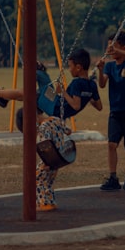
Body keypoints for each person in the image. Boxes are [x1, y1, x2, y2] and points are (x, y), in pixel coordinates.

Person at [0, 49, 102, 126]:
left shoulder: (77, 83)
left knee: (27, 93)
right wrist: (87, 96)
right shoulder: (91, 85)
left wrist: (63, 92)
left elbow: (76, 106)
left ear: (78, 67)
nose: (69, 69)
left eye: (70, 66)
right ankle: (38, 71)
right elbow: (99, 106)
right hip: (56, 100)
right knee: (42, 80)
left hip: (55, 107)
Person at [96, 31, 125, 192]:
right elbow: (102, 84)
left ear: (123, 47)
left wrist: (119, 51)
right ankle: (113, 177)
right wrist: (100, 70)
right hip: (115, 111)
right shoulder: (109, 65)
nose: (110, 50)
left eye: (113, 46)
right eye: (109, 46)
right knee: (111, 144)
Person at [33, 74, 74, 212]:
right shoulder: (55, 119)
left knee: (37, 178)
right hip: (60, 158)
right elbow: (68, 131)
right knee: (48, 183)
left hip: (49, 160)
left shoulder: (43, 128)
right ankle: (51, 202)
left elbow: (45, 145)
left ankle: (43, 203)